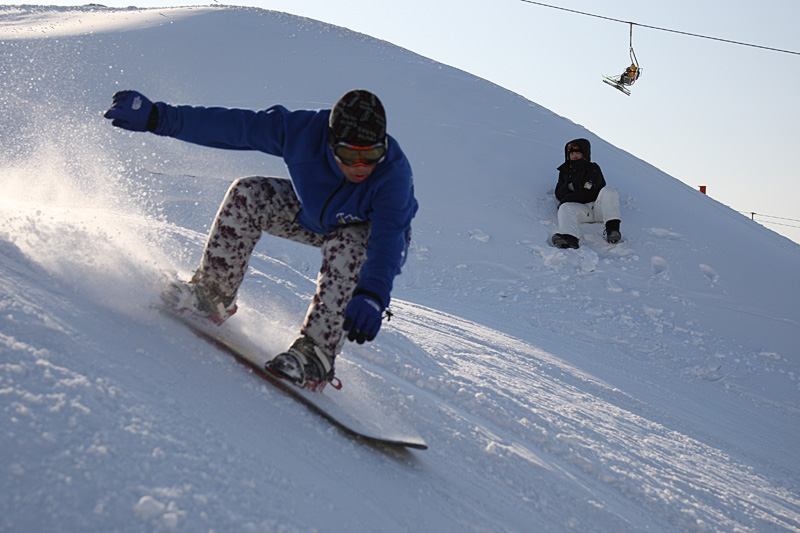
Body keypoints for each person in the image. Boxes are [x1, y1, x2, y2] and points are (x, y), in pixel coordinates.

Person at [104, 89, 418, 388]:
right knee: (249, 193)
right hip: (313, 215)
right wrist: (159, 117)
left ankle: (316, 355)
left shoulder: (393, 175)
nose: (361, 166)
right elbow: (236, 127)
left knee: (347, 244)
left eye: (372, 154)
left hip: (367, 234)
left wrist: (372, 294)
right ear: (331, 142)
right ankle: (212, 295)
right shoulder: (302, 131)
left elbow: (388, 240)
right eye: (350, 154)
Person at [552, 138, 621, 249]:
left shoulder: (593, 169)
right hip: (582, 211)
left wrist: (570, 196)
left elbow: (591, 192)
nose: (574, 156)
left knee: (609, 190)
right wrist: (570, 198)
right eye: (572, 153)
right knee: (565, 207)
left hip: (598, 209)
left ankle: (612, 229)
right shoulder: (565, 172)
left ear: (584, 154)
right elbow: (559, 192)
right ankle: (570, 238)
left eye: (578, 153)